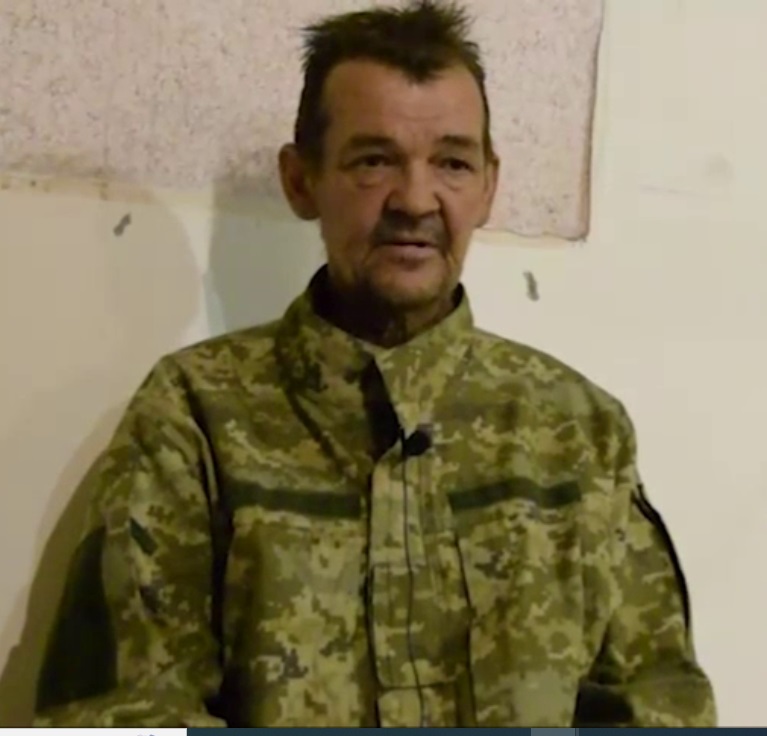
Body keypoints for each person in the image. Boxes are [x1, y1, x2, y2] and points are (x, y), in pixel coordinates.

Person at [34, 0, 716, 728]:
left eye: (451, 162)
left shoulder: (577, 431)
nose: (415, 200)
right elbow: (121, 714)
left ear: (488, 186)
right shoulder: (196, 419)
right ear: (301, 180)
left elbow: (661, 706)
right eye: (373, 161)